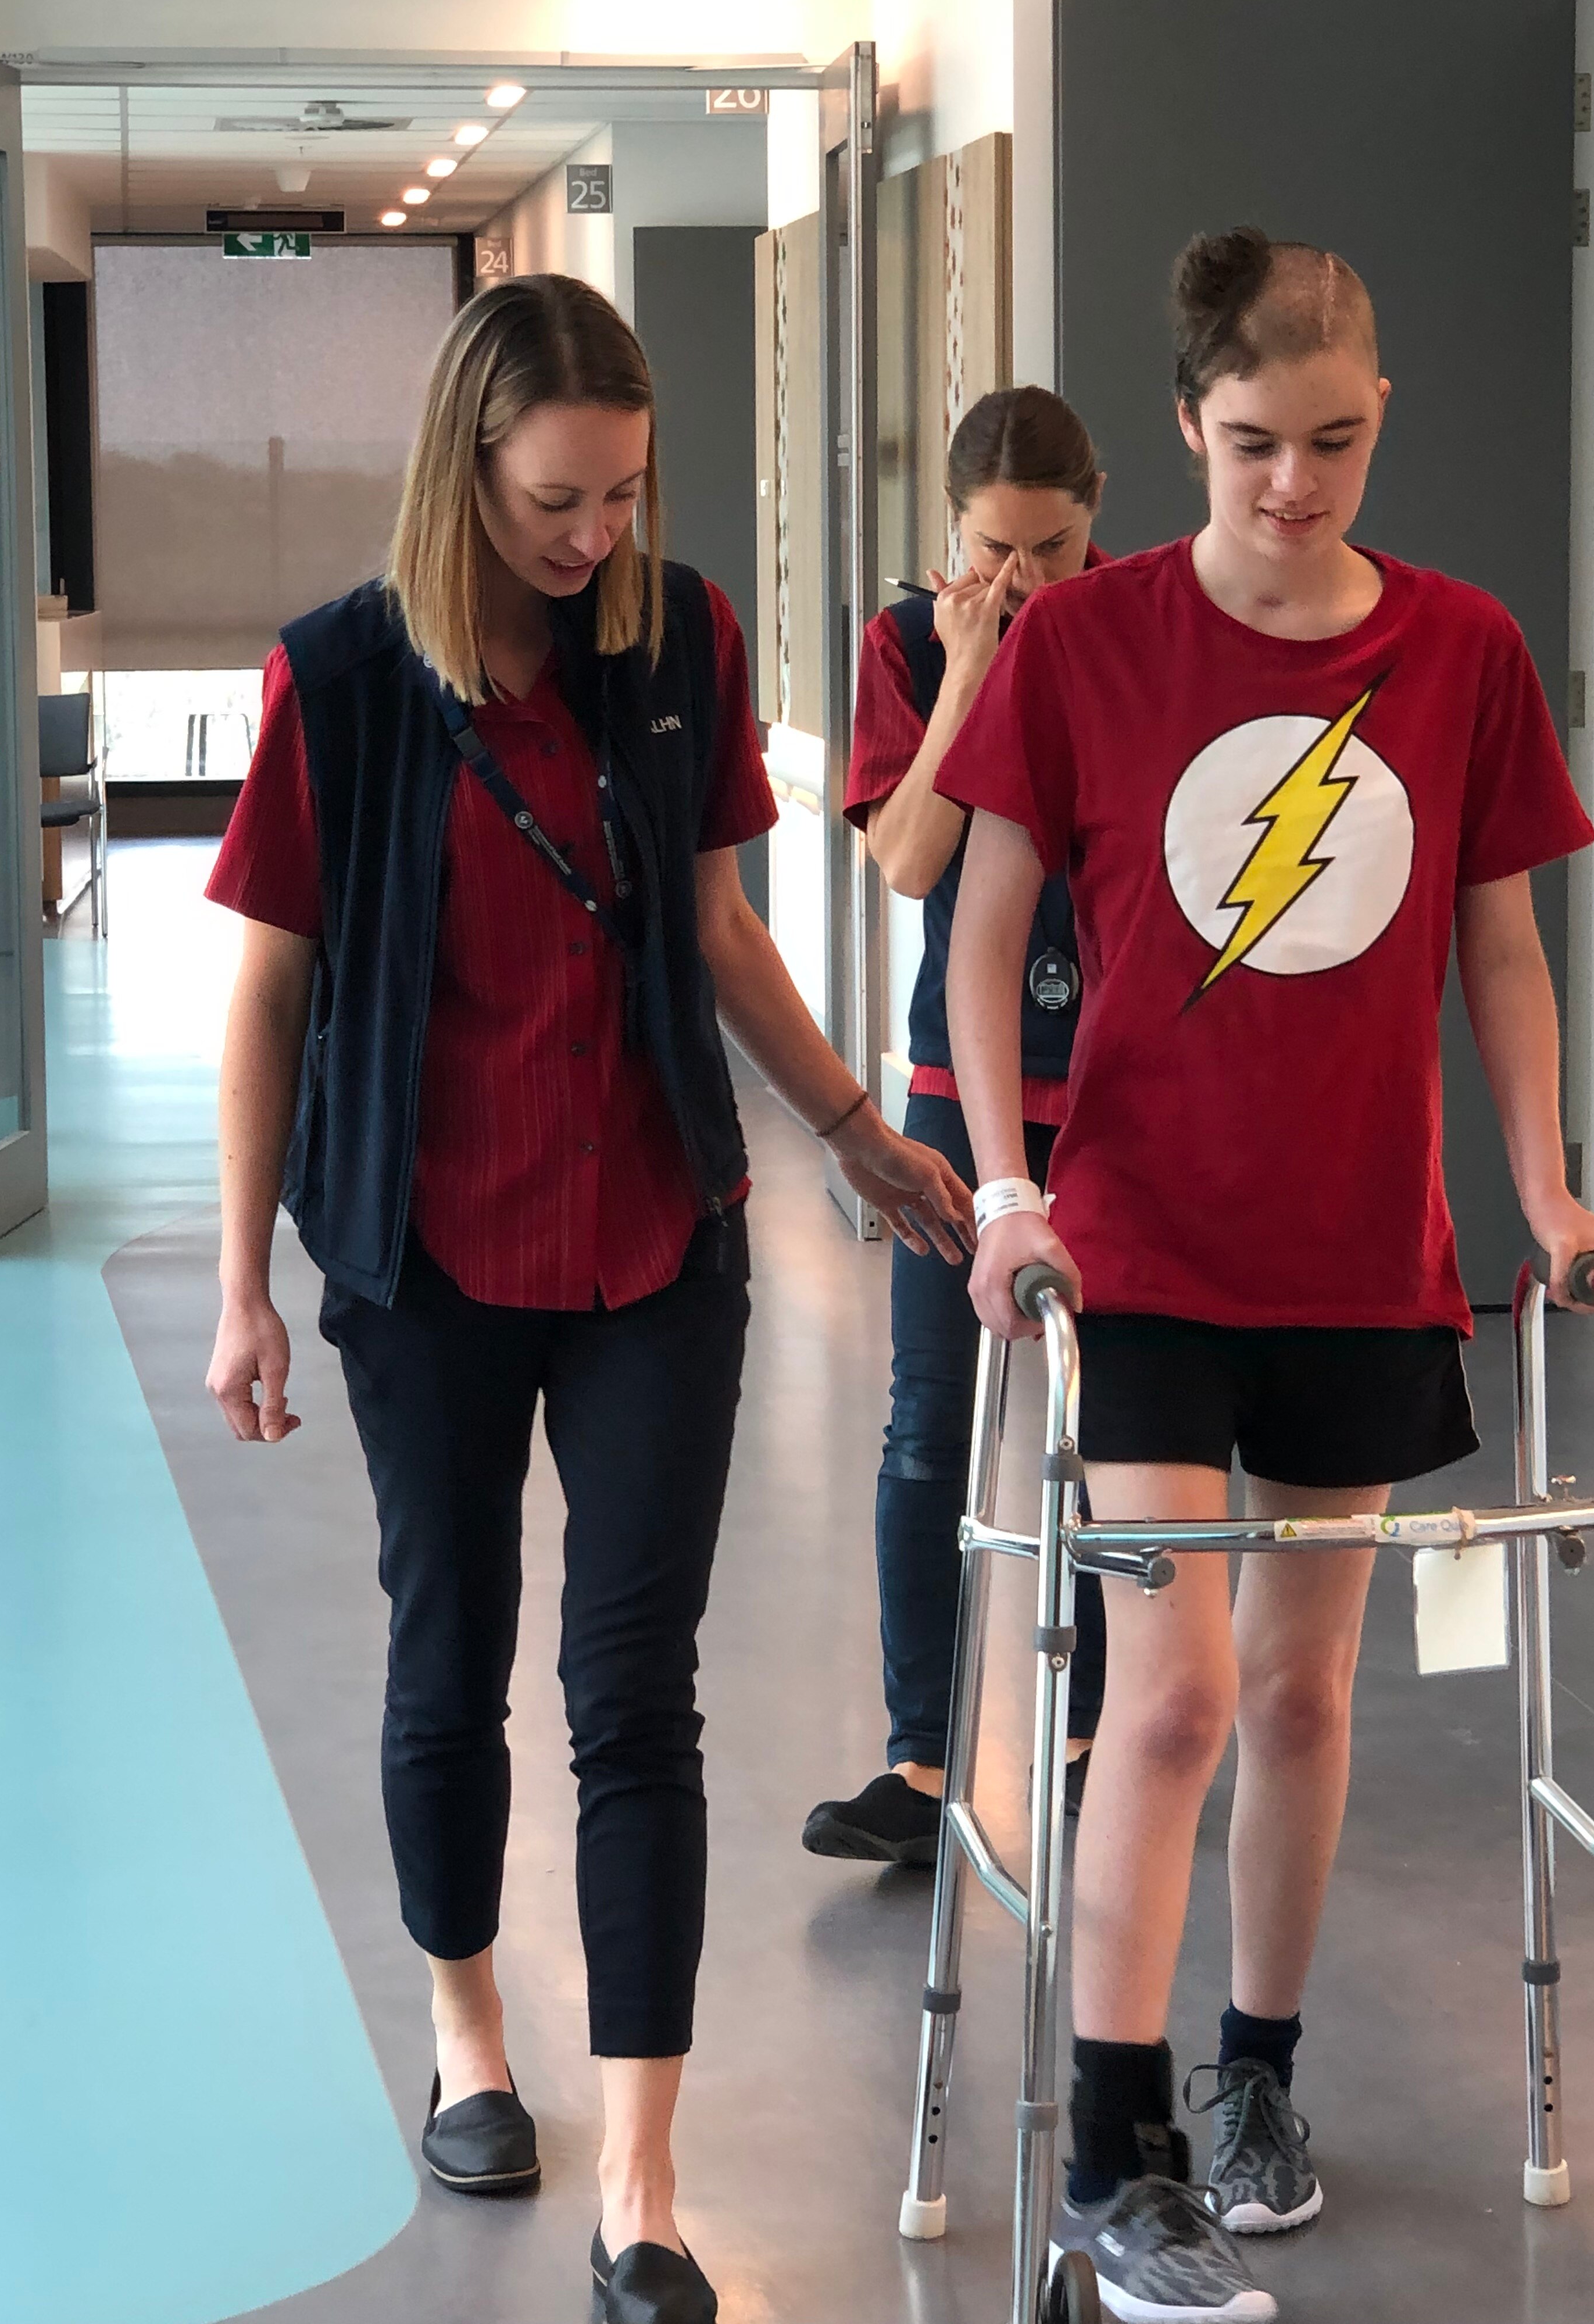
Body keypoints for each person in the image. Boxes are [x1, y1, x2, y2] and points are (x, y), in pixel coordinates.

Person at [202, 273, 972, 2324]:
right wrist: (240, 1289)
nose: (594, 536)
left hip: (652, 1244)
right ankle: (468, 2033)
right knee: (449, 1655)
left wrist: (846, 1125)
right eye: (558, 497)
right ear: (470, 466)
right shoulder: (343, 682)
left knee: (636, 1695)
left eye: (625, 493)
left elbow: (715, 922)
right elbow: (269, 990)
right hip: (425, 1258)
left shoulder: (677, 638)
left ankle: (644, 2182)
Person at [937, 228, 1594, 2322]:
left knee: (1310, 1693)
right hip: (1138, 1247)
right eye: (1251, 444)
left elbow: (1499, 947)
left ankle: (1254, 2080)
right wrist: (999, 1189)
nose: (1292, 487)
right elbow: (984, 931)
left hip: (1357, 1251)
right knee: (1164, 1698)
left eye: (1333, 443)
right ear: (1184, 424)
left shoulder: (1462, 652)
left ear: (1379, 416)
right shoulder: (1087, 647)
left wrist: (1547, 1184)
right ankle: (1113, 2135)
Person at [803, 388, 1110, 1870]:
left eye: (1054, 548)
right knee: (929, 1430)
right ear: (952, 535)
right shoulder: (910, 646)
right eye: (997, 547)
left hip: (1116, 1096)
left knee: (1109, 1436)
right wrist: (978, 671)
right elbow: (913, 861)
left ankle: (1088, 1746)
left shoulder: (1143, 630)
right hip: (955, 1094)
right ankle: (924, 1764)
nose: (1027, 578)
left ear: (1097, 518)